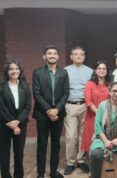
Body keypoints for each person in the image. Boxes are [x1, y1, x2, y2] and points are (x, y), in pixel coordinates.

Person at [32, 45, 69, 178]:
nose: (52, 55)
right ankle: (40, 174)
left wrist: (57, 109)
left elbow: (66, 93)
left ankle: (53, 172)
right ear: (44, 56)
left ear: (58, 56)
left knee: (56, 144)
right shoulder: (37, 72)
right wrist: (49, 110)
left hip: (58, 114)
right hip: (42, 114)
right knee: (42, 144)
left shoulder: (63, 73)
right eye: (49, 53)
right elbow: (36, 93)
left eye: (54, 53)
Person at [90, 82, 117, 178]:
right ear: (109, 92)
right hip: (102, 138)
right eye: (114, 91)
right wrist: (105, 141)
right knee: (96, 154)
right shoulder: (102, 105)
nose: (116, 94)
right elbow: (97, 125)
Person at [64, 46, 93, 175]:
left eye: (81, 54)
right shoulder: (65, 71)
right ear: (71, 56)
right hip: (70, 106)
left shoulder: (90, 71)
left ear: (84, 56)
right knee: (71, 136)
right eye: (76, 54)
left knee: (83, 135)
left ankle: (81, 161)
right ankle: (70, 162)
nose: (79, 56)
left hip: (85, 106)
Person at [0, 59, 31, 178]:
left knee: (19, 153)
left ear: (20, 70)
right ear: (7, 71)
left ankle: (19, 175)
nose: (14, 71)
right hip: (4, 123)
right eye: (11, 69)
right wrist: (12, 123)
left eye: (16, 69)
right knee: (4, 154)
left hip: (21, 121)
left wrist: (18, 122)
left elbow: (27, 106)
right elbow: (1, 107)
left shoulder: (24, 85)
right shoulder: (2, 86)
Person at [81, 61, 110, 153]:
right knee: (91, 138)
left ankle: (106, 163)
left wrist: (106, 115)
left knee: (106, 138)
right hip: (93, 116)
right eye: (99, 68)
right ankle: (93, 163)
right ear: (95, 71)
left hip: (108, 117)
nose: (102, 70)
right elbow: (88, 102)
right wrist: (100, 114)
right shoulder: (90, 84)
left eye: (104, 69)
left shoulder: (110, 84)